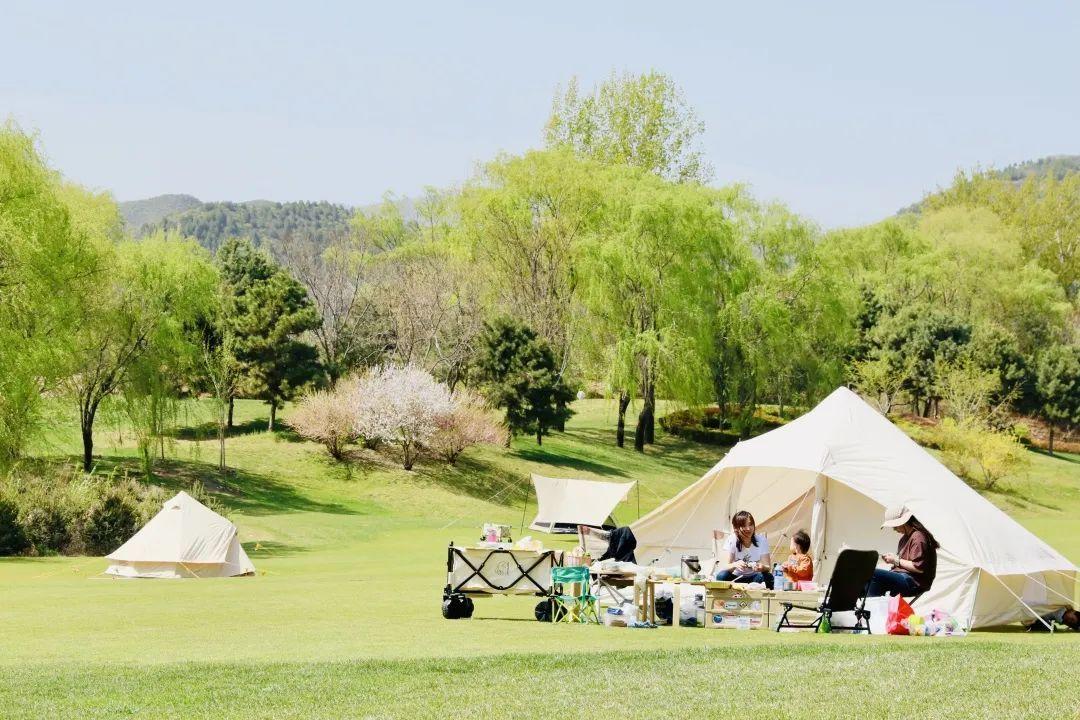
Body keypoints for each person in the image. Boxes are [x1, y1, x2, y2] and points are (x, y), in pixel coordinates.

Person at [867, 504, 938, 597]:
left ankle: (875, 608)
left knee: (872, 573)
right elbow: (903, 563)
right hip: (903, 577)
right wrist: (893, 559)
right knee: (863, 577)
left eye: (895, 526)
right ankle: (873, 607)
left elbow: (918, 568)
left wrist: (896, 560)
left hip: (914, 582)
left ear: (903, 522)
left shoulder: (918, 537)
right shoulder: (904, 539)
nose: (894, 529)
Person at [714, 510, 773, 589]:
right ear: (736, 528)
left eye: (750, 524)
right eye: (744, 526)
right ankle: (723, 600)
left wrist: (762, 567)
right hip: (736, 577)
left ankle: (766, 599)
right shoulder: (732, 540)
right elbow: (725, 566)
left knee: (768, 577)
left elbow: (768, 567)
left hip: (754, 577)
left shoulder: (761, 540)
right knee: (721, 576)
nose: (748, 528)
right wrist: (735, 564)